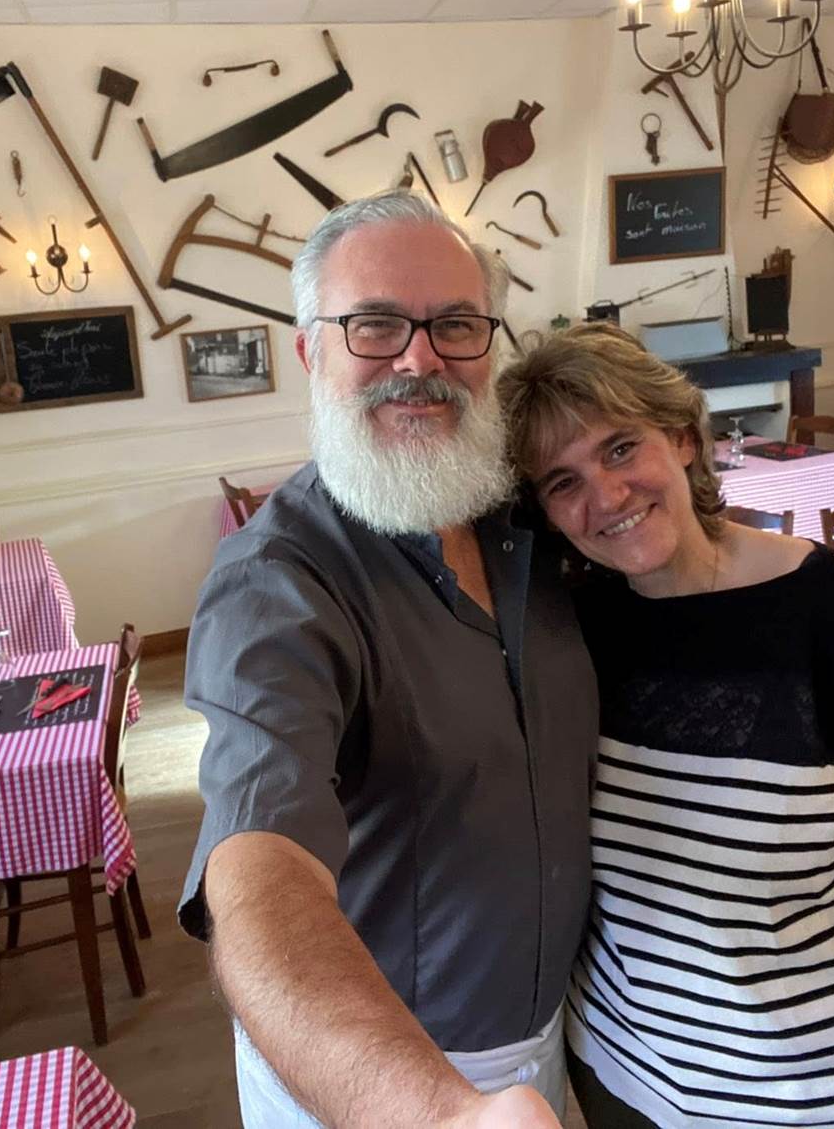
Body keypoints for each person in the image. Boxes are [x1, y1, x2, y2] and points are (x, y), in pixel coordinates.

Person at [497, 323, 834, 1129]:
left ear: (685, 438)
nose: (605, 497)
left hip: (822, 1101)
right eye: (563, 482)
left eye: (622, 449)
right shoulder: (572, 630)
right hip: (622, 1083)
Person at [178, 191, 598, 1129]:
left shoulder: (534, 526)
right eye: (373, 326)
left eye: (455, 324)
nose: (420, 361)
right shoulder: (276, 584)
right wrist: (438, 1113)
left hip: (550, 1037)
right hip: (371, 1074)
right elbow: (259, 865)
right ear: (309, 351)